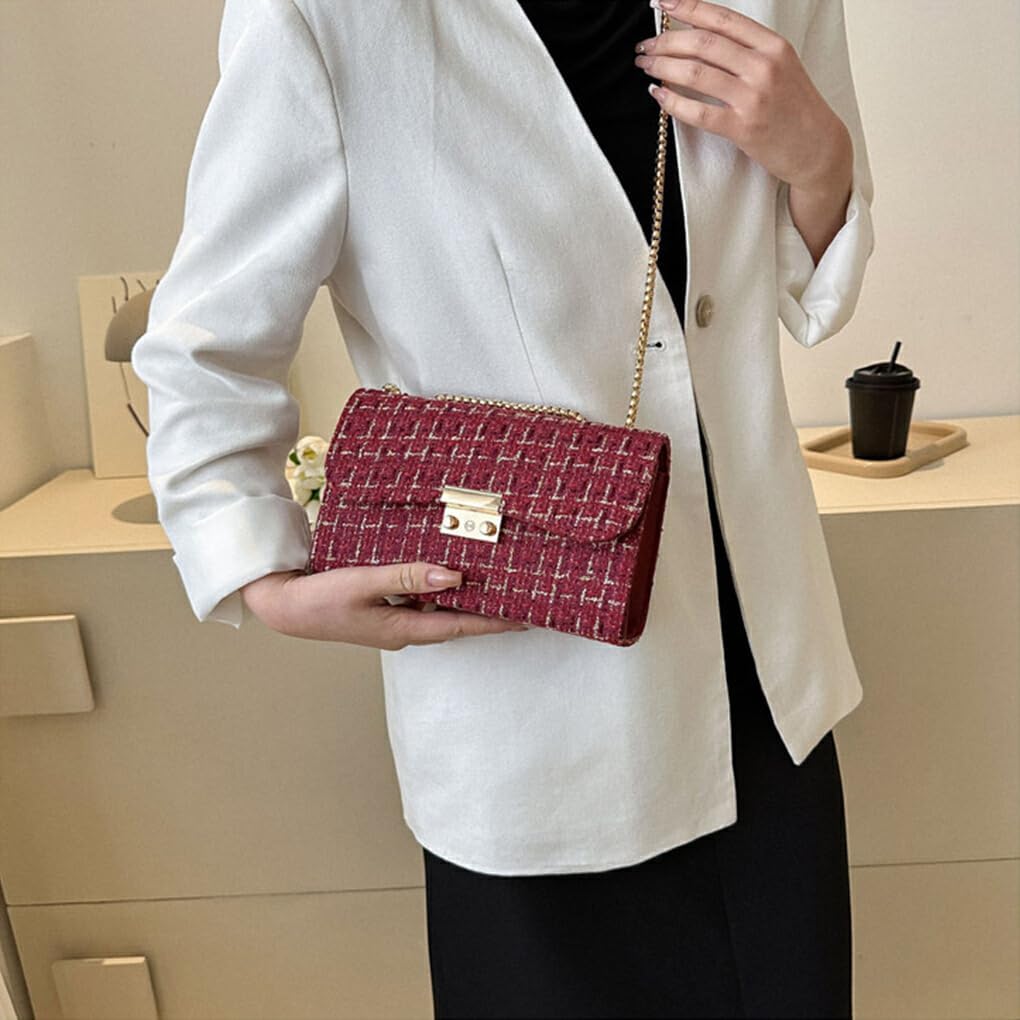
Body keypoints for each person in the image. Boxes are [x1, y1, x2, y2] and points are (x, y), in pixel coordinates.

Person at [131, 0, 875, 1015]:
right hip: (534, 709)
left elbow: (804, 286)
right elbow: (204, 347)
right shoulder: (324, 16)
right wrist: (258, 574)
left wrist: (823, 162)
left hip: (769, 689)